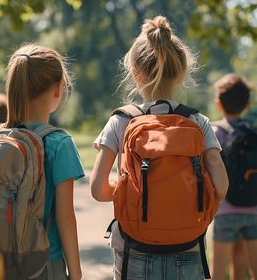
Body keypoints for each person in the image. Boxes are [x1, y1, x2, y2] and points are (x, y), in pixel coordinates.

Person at [90, 16, 228, 279]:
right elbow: (221, 187)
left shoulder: (121, 120)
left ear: (133, 71)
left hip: (134, 247)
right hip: (188, 244)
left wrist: (133, 195)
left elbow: (98, 190)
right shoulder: (197, 122)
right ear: (182, 72)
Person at [4, 43, 84, 280]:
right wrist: (76, 274)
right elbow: (65, 216)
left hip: (2, 261)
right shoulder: (59, 143)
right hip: (46, 263)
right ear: (57, 90)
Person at [210, 73, 257, 280]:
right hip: (252, 212)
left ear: (218, 103)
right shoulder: (254, 132)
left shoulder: (213, 132)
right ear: (247, 104)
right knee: (256, 272)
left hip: (224, 213)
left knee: (217, 271)